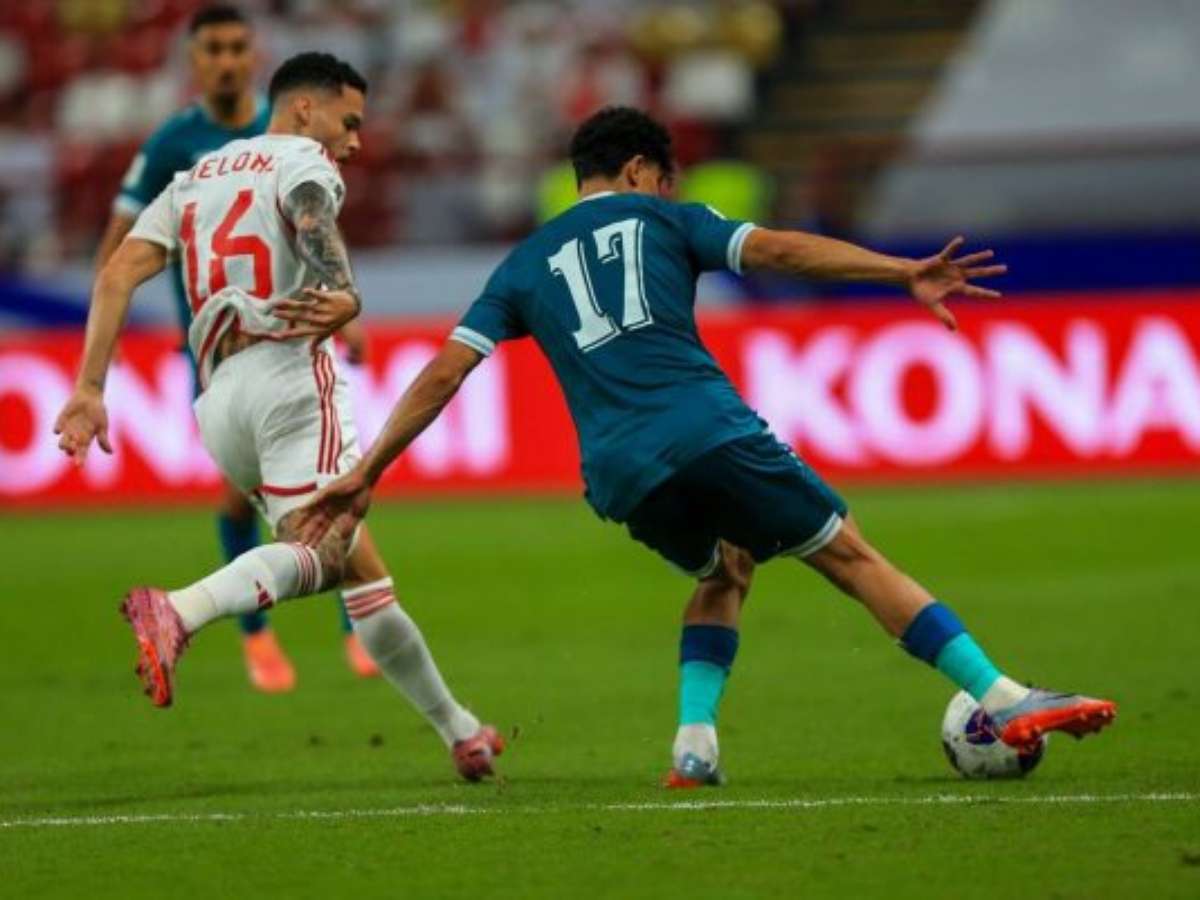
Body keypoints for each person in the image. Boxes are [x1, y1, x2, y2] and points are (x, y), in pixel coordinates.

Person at [294, 106, 1116, 787]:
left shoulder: (519, 266)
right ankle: (1002, 696)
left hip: (617, 474)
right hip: (704, 428)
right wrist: (898, 271)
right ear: (641, 170)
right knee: (850, 555)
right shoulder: (668, 218)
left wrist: (367, 470)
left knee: (725, 569)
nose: (670, 190)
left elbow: (444, 372)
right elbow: (780, 250)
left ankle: (694, 746)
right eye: (666, 178)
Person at [55, 52, 502, 781]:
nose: (354, 140)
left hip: (218, 401)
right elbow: (310, 207)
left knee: (361, 570)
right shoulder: (303, 159)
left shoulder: (194, 178)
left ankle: (461, 732)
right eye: (347, 122)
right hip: (289, 376)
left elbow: (115, 274)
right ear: (303, 109)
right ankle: (180, 610)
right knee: (321, 555)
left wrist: (88, 388)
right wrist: (343, 289)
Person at [95, 3, 377, 693]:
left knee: (327, 504)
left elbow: (308, 221)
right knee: (321, 509)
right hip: (247, 353)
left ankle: (369, 637)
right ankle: (239, 627)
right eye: (213, 49)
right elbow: (120, 245)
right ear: (195, 60)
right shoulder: (177, 143)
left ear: (254, 56)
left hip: (249, 355)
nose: (226, 61)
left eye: (236, 48)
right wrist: (345, 294)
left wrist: (90, 373)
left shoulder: (265, 135)